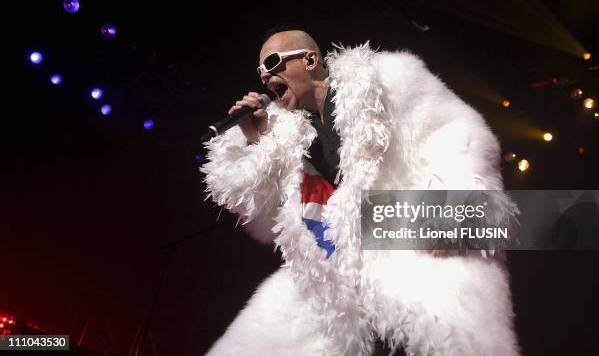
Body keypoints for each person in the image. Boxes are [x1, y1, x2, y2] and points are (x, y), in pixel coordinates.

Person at [201, 29, 520, 355]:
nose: (266, 75)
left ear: (310, 60)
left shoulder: (385, 79)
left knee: (449, 336)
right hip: (334, 272)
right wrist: (258, 141)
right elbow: (268, 222)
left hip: (407, 241)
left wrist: (446, 215)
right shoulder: (287, 132)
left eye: (272, 62)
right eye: (260, 71)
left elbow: (458, 132)